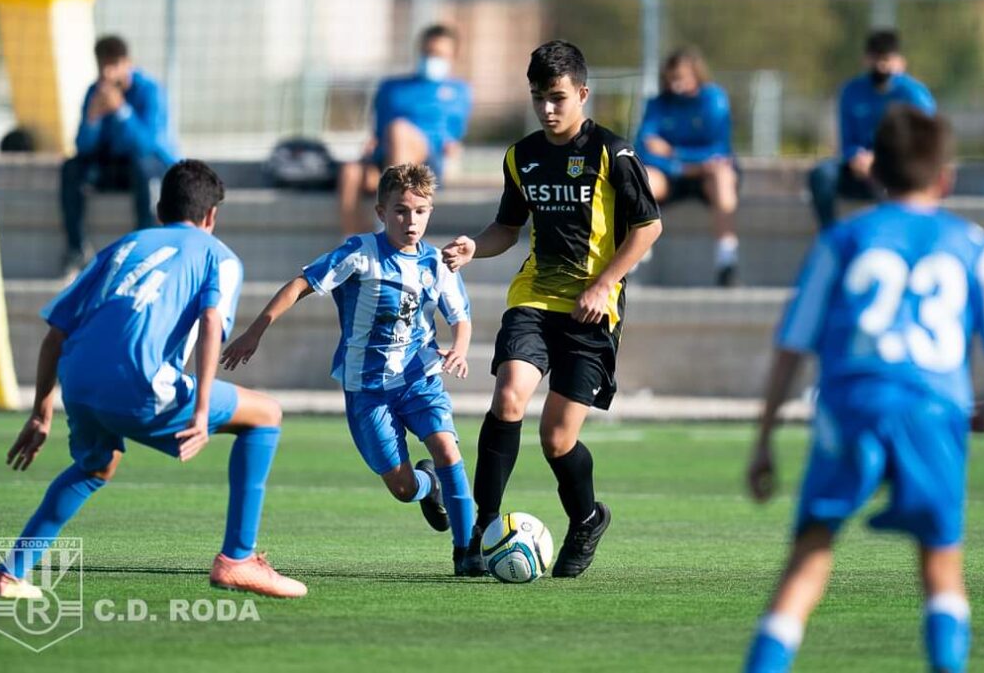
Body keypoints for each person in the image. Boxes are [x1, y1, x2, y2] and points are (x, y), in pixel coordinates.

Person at [743, 106, 984, 672]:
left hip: (852, 404)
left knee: (809, 558)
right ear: (945, 177)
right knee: (941, 567)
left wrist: (765, 438)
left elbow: (792, 345)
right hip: (934, 407)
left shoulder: (843, 239)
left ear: (874, 174)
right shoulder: (972, 244)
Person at [0, 160, 307, 600]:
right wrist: (204, 406)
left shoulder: (122, 246)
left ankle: (9, 573)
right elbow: (212, 322)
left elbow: (56, 331)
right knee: (266, 414)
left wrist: (41, 410)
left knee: (97, 464)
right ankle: (238, 559)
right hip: (140, 383)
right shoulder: (218, 255)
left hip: (77, 383)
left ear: (158, 209)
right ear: (212, 216)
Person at [443, 40, 663, 578]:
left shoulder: (614, 153)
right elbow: (506, 228)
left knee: (557, 438)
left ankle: (587, 517)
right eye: (540, 97)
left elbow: (648, 227)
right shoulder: (521, 156)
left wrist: (605, 284)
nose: (548, 109)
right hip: (535, 299)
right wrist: (476, 245)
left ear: (582, 94)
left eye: (558, 97)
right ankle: (479, 531)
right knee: (509, 394)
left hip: (592, 312)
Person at [222, 163, 477, 574]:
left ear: (431, 212)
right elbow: (300, 285)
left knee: (447, 448)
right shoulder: (360, 253)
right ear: (381, 212)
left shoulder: (437, 263)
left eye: (420, 211)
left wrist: (459, 349)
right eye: (400, 210)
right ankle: (428, 488)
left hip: (419, 378)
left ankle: (468, 550)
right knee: (401, 486)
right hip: (367, 388)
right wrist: (255, 332)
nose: (411, 221)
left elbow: (459, 316)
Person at [337, 25, 473, 236]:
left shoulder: (458, 91)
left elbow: (453, 137)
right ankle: (355, 248)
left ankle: (388, 227)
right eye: (428, 53)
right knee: (351, 171)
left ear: (453, 57)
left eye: (439, 54)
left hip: (427, 161)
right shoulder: (391, 87)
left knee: (399, 130)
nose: (432, 59)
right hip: (386, 157)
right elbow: (378, 131)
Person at [61, 35, 179, 277]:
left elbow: (147, 145)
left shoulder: (150, 91)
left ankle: (144, 245)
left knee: (142, 167)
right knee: (71, 168)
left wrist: (121, 111)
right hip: (113, 166)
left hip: (148, 164)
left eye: (114, 66)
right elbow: (83, 147)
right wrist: (92, 119)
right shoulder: (95, 92)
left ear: (127, 63)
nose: (109, 75)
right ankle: (77, 248)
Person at [809, 29, 936, 229]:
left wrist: (880, 160)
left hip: (894, 168)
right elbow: (848, 140)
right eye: (876, 59)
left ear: (899, 62)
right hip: (858, 170)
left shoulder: (913, 95)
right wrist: (856, 158)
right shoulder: (851, 92)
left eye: (886, 60)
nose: (881, 67)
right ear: (866, 60)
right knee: (822, 175)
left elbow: (922, 143)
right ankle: (829, 234)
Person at [636, 47, 740, 286]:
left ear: (697, 75)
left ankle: (727, 258)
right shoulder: (658, 104)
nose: (676, 85)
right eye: (671, 79)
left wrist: (675, 153)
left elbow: (719, 151)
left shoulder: (713, 100)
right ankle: (638, 249)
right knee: (643, 179)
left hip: (708, 176)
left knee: (722, 177)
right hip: (672, 176)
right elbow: (644, 150)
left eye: (682, 78)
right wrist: (682, 168)